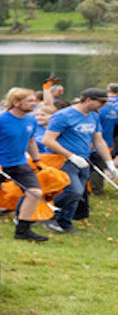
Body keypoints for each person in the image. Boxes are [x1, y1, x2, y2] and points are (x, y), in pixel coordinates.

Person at [0, 87, 48, 242]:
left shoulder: (31, 120)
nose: (34, 104)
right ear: (16, 102)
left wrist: (37, 160)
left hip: (19, 163)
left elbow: (30, 141)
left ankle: (22, 230)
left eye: (34, 101)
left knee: (35, 192)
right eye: (30, 101)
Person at [42, 87, 112, 233]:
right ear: (88, 100)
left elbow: (98, 141)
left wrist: (110, 163)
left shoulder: (93, 116)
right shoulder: (63, 116)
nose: (103, 106)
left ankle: (65, 223)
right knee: (74, 191)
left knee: (78, 194)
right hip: (63, 160)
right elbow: (48, 140)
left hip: (84, 160)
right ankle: (46, 211)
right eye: (101, 102)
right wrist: (71, 156)